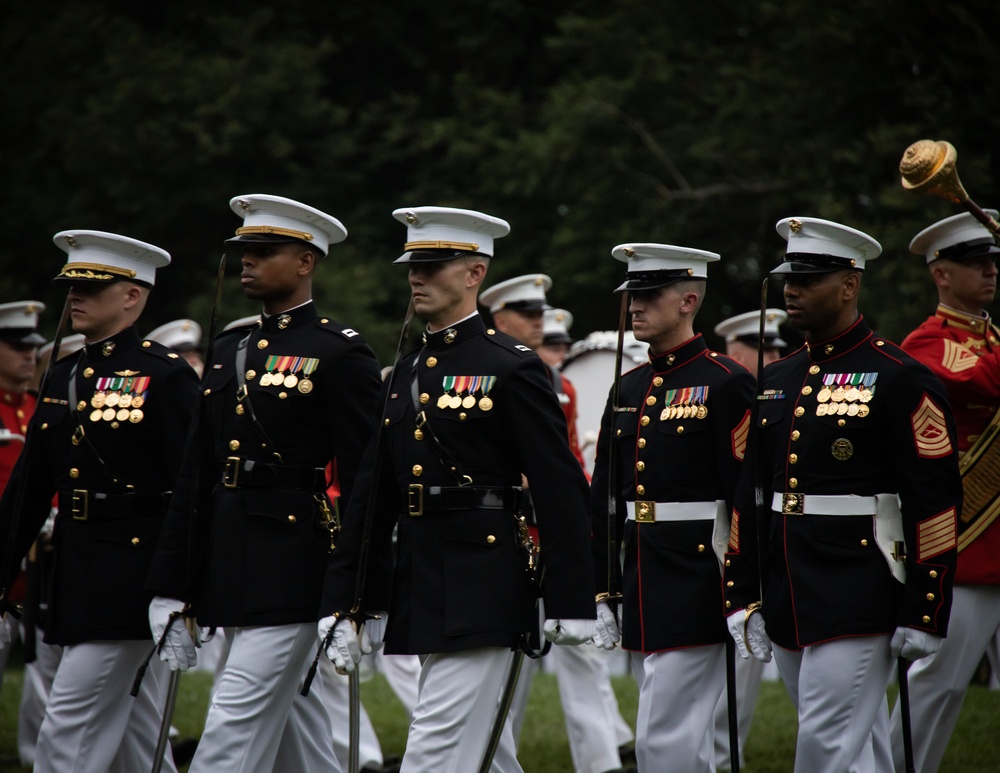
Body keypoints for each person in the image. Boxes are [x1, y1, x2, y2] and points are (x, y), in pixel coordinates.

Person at [319, 206, 596, 773]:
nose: (416, 277)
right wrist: (349, 597)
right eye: (413, 266)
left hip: (486, 581)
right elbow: (373, 496)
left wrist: (574, 597)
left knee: (433, 752)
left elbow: (560, 487)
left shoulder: (512, 367)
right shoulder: (408, 370)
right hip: (423, 577)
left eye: (434, 265)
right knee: (488, 755)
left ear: (474, 273)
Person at [146, 193, 382, 773]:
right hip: (231, 560)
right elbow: (196, 475)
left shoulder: (339, 352)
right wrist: (172, 582)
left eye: (263, 251)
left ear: (305, 262)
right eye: (242, 251)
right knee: (299, 744)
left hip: (294, 566)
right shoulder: (230, 349)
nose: (245, 261)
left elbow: (365, 484)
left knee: (231, 729)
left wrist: (358, 595)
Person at [722, 216, 963, 773]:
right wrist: (743, 587)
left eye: (808, 281)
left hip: (860, 589)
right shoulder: (778, 377)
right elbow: (752, 494)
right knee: (860, 747)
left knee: (825, 744)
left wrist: (926, 605)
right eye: (789, 279)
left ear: (850, 285)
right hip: (788, 587)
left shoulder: (899, 375)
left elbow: (935, 500)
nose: (791, 291)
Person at [0, 230, 198, 773]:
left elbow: (190, 491)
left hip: (133, 581)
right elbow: (30, 489)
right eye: (72, 286)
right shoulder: (64, 375)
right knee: (139, 746)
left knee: (67, 733)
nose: (75, 298)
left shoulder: (166, 375)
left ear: (132, 296)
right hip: (79, 573)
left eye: (93, 286)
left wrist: (177, 587)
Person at [590, 243, 756, 772]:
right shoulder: (628, 387)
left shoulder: (726, 382)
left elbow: (745, 499)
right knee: (682, 740)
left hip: (698, 579)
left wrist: (742, 590)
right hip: (643, 575)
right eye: (631, 295)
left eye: (649, 294)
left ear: (688, 300)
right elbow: (606, 500)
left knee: (663, 741)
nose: (634, 306)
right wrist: (602, 588)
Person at [482, 283, 633, 773]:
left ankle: (602, 762)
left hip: (554, 535)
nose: (538, 323)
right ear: (499, 316)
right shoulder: (490, 369)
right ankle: (499, 757)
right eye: (526, 314)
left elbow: (564, 462)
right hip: (509, 535)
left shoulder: (558, 382)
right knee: (509, 672)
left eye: (540, 314)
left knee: (582, 657)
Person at [888, 210, 1000, 772]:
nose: (989, 270)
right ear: (941, 275)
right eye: (975, 262)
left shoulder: (993, 339)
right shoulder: (928, 342)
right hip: (968, 541)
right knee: (942, 684)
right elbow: (980, 381)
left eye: (993, 261)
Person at [709, 307, 788, 771]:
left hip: (757, 538)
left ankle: (726, 753)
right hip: (719, 537)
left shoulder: (771, 392)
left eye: (777, 347)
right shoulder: (730, 388)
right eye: (763, 347)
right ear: (735, 350)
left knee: (743, 660)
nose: (773, 355)